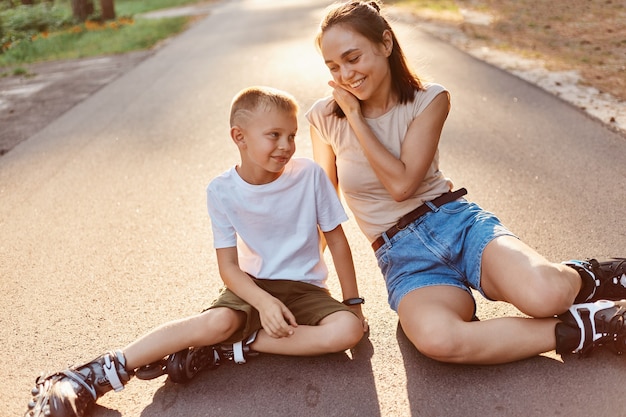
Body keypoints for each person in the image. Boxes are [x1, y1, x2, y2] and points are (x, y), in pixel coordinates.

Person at [306, 0, 626, 365]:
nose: (345, 75)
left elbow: (403, 185)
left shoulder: (429, 99)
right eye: (333, 67)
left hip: (457, 224)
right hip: (404, 260)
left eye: (353, 58)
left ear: (385, 43)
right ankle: (591, 326)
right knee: (438, 339)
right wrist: (310, 282)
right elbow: (324, 204)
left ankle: (590, 276)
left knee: (546, 295)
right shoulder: (323, 117)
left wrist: (356, 120)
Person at [26, 86, 367, 417]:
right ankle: (95, 373)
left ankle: (237, 346)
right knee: (217, 322)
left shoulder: (309, 175)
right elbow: (229, 268)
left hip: (305, 288)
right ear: (239, 137)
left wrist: (353, 305)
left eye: (292, 136)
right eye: (274, 135)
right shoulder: (221, 191)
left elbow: (336, 241)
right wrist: (263, 302)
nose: (286, 146)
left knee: (347, 332)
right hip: (252, 284)